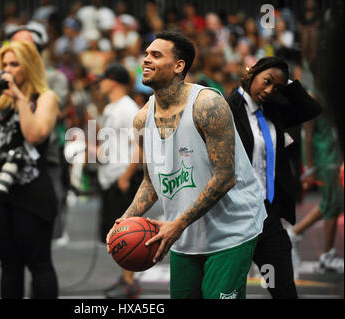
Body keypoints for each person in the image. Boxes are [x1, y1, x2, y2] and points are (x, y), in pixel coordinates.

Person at [106, 31, 267, 299]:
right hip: (183, 235)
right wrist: (124, 220)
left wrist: (177, 223)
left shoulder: (207, 105)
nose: (146, 59)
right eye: (145, 54)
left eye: (156, 55)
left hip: (232, 231)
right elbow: (150, 181)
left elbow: (226, 177)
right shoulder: (142, 118)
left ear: (179, 66)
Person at [0, 40, 60, 299]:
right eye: (4, 64)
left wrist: (20, 97)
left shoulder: (46, 98)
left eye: (14, 64)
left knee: (39, 264)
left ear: (29, 66)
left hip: (31, 192)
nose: (8, 70)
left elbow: (35, 135)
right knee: (9, 265)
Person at [226, 56, 322, 298]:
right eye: (266, 81)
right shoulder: (228, 108)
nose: (269, 90)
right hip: (233, 216)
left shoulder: (273, 109)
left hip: (267, 214)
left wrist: (285, 80)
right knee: (227, 292)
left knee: (285, 291)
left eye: (275, 87)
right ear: (251, 74)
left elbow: (312, 109)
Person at [288, 61, 344, 275]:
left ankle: (294, 234)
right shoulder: (313, 96)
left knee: (335, 202)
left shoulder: (328, 93)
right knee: (333, 203)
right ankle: (327, 255)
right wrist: (309, 167)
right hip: (323, 159)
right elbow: (307, 133)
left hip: (332, 154)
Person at [96, 63, 143, 298]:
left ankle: (130, 282)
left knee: (126, 233)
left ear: (113, 81)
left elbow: (141, 146)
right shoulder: (113, 107)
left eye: (103, 79)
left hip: (122, 178)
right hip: (111, 177)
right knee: (115, 234)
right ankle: (126, 278)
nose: (100, 83)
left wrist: (126, 176)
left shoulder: (127, 108)